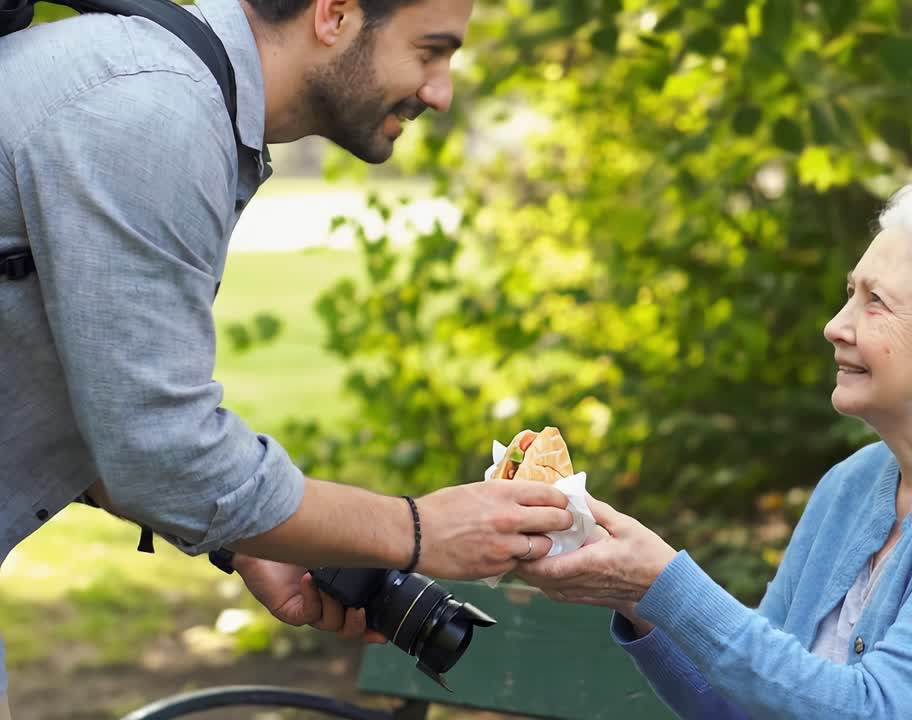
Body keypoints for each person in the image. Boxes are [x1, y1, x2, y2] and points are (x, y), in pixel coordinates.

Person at [0, 0, 575, 712]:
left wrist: (246, 540)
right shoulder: (151, 110)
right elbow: (161, 451)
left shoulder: (160, 92)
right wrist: (417, 530)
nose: (440, 91)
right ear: (333, 15)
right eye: (430, 50)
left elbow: (104, 409)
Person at [517, 177, 912, 718]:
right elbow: (749, 703)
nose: (836, 326)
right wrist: (636, 592)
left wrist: (667, 581)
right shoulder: (855, 485)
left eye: (877, 303)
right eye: (852, 293)